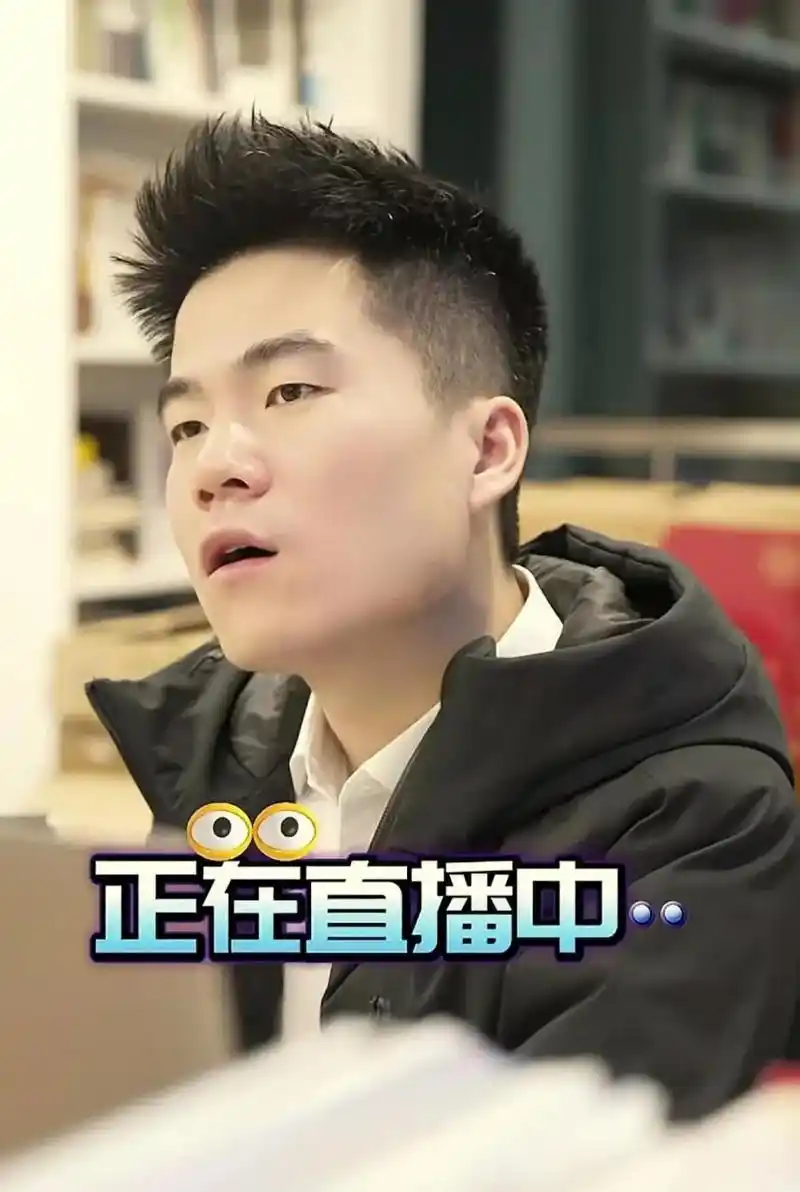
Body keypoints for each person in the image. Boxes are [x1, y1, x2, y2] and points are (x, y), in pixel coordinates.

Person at [91, 115, 800, 1120]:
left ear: (486, 450)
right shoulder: (214, 767)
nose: (213, 467)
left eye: (289, 391)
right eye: (187, 423)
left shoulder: (691, 828)